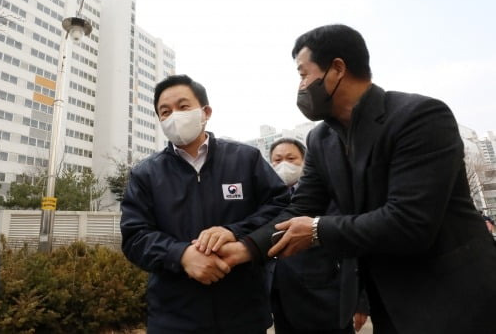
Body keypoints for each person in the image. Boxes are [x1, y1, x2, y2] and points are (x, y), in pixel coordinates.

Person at [203, 24, 496, 334]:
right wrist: (245, 246)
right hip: (391, 306)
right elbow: (300, 208)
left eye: (304, 74)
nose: (301, 86)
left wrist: (317, 230)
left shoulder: (419, 117)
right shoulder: (321, 139)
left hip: (455, 298)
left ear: (337, 69)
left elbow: (410, 222)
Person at [120, 74, 290, 333]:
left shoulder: (246, 159)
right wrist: (181, 255)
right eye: (165, 112)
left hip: (244, 314)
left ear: (205, 111)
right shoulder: (145, 174)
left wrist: (235, 232)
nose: (174, 116)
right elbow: (134, 237)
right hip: (174, 318)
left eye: (183, 106)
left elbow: (281, 209)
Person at [267, 138, 368, 334]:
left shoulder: (330, 195)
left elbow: (353, 248)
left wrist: (360, 301)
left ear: (305, 161)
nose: (283, 164)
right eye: (277, 160)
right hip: (283, 301)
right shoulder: (269, 199)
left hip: (325, 301)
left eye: (291, 158)